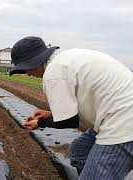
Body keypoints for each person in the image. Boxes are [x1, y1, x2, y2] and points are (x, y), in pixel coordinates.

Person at [9, 36, 133, 179]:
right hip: (118, 114)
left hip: (123, 124)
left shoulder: (53, 72)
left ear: (34, 62)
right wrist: (51, 114)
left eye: (26, 69)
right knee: (79, 150)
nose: (28, 74)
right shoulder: (66, 60)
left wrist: (40, 122)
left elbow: (69, 122)